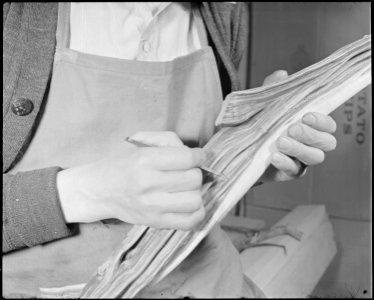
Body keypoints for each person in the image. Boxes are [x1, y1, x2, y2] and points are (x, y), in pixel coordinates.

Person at [3, 3, 337, 298]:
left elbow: (199, 166)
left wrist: (254, 151)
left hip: (203, 280)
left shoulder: (223, 12)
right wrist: (91, 193)